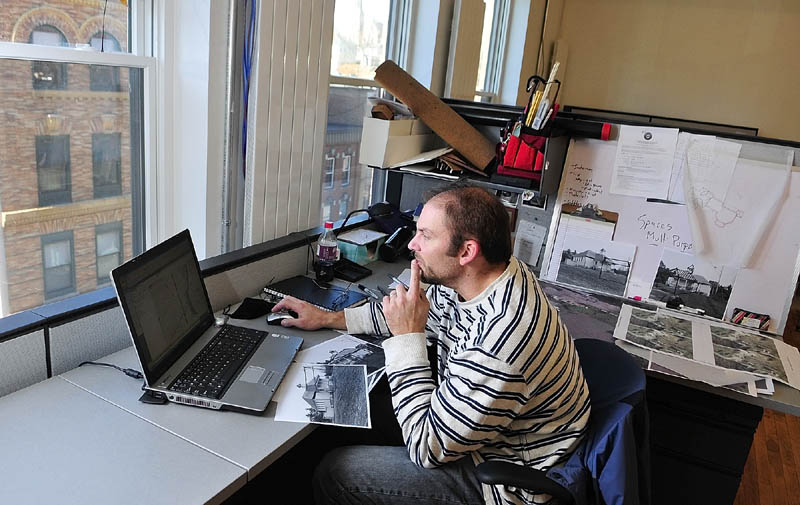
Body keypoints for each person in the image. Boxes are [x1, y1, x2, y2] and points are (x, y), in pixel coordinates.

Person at [273, 183, 591, 505]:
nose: (412, 244)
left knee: (336, 472)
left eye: (426, 235)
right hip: (480, 430)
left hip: (500, 475)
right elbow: (412, 312)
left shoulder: (502, 340)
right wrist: (327, 318)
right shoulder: (482, 276)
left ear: (467, 252)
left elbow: (427, 448)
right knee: (345, 405)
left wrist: (407, 340)